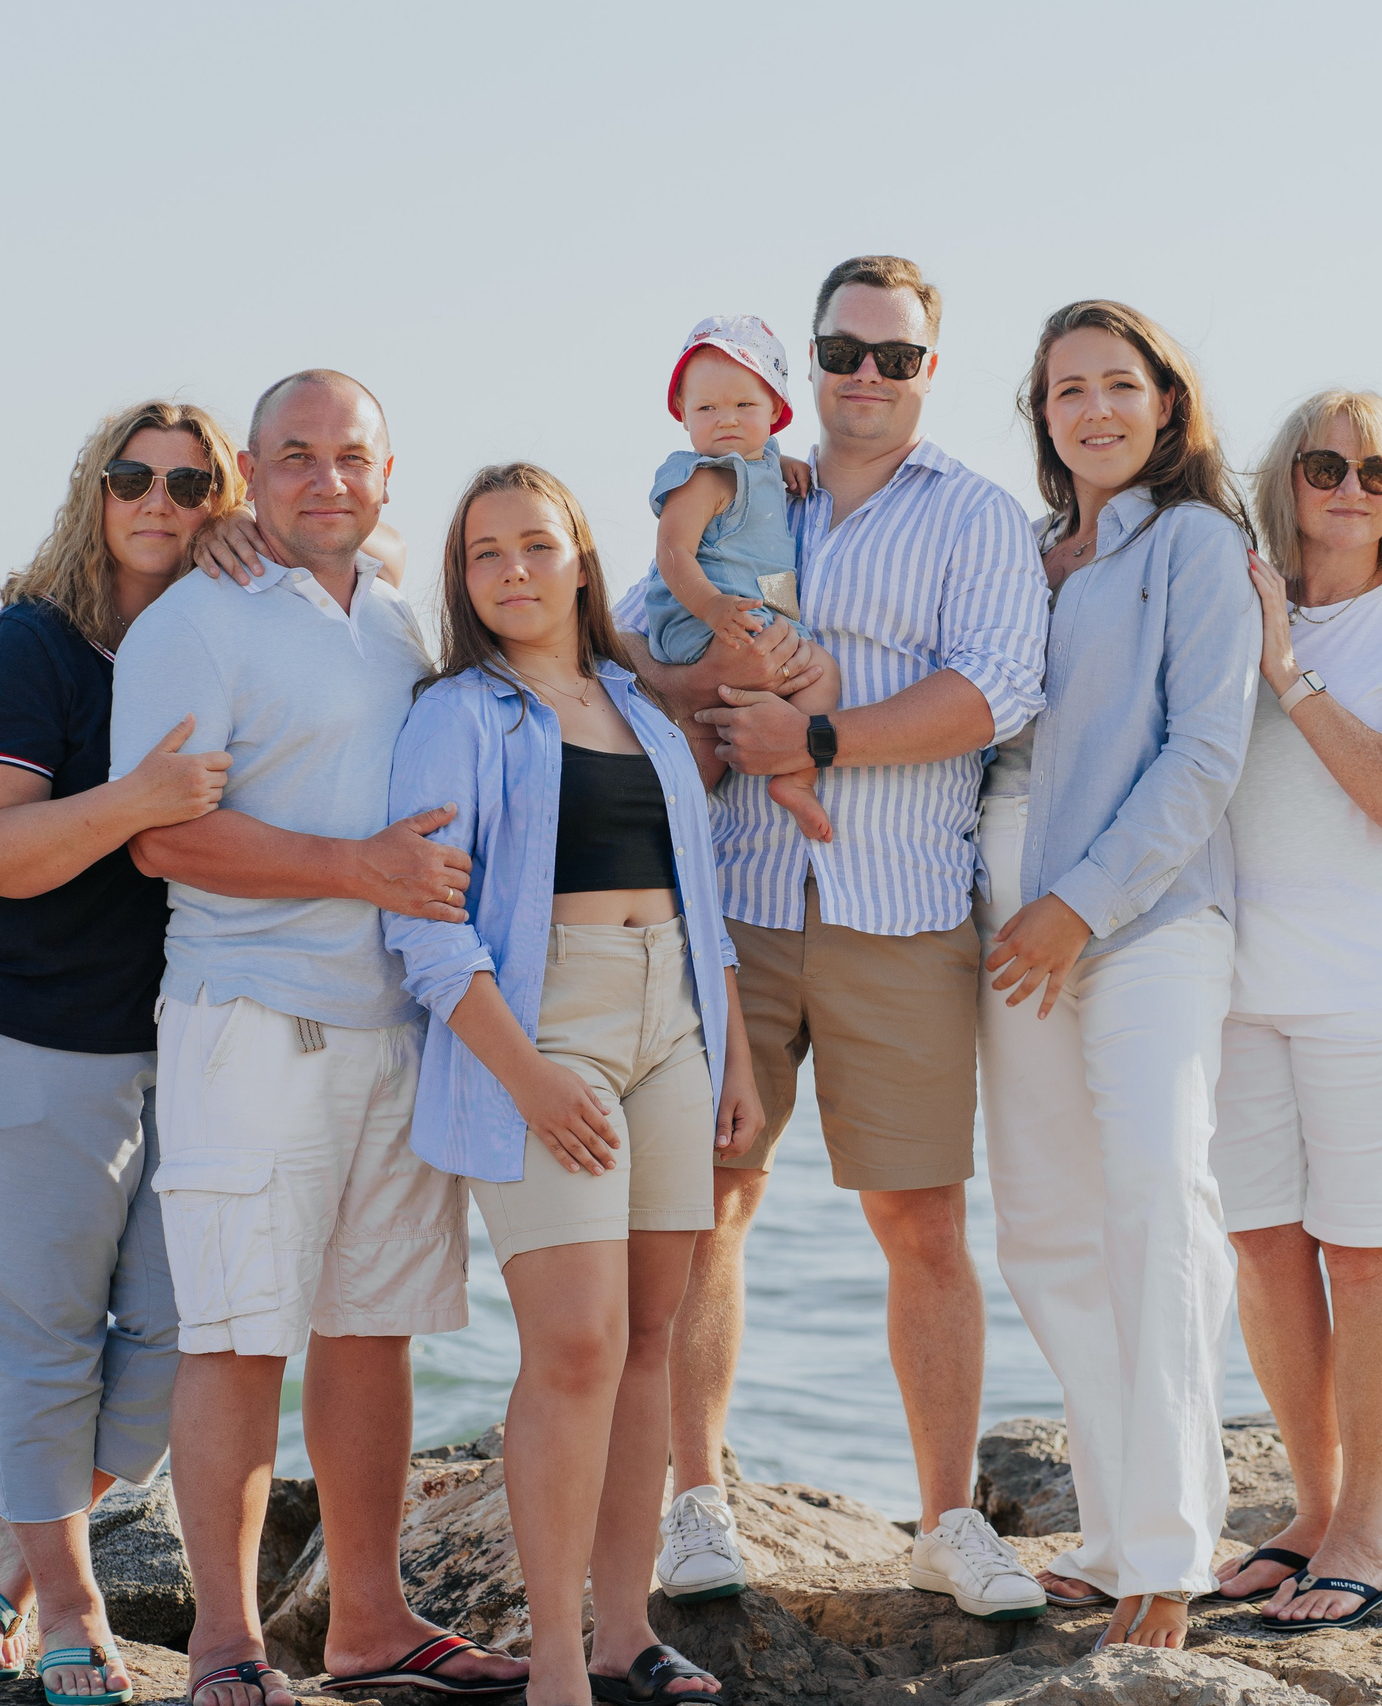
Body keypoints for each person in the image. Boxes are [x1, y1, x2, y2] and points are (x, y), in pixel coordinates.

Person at [614, 255, 1051, 1620]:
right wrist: (702, 687)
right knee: (709, 1201)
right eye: (843, 350)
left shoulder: (975, 514)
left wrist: (811, 735)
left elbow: (992, 692)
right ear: (806, 365)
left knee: (919, 1217)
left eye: (894, 355)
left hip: (901, 907)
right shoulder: (747, 488)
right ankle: (697, 1501)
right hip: (737, 900)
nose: (867, 374)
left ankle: (948, 1520)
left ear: (929, 370)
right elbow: (624, 641)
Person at [109, 371, 531, 1706]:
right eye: (294, 456)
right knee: (238, 1335)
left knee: (373, 1329)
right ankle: (225, 1643)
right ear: (251, 470)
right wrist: (359, 869)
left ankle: (369, 1620)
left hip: (395, 1029)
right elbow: (159, 836)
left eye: (351, 456)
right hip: (251, 1026)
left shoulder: (397, 612)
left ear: (388, 472)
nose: (326, 479)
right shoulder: (196, 620)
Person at [385, 462, 760, 1706]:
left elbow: (704, 901)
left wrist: (733, 1058)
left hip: (674, 1023)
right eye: (484, 552)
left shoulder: (638, 705)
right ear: (462, 579)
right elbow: (428, 931)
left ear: (581, 560)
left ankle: (623, 1630)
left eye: (535, 544)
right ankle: (556, 1658)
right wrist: (531, 1077)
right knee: (576, 1341)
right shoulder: (456, 713)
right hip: (543, 1023)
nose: (512, 570)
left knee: (650, 1334)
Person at [974, 300, 1260, 1650]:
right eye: (1065, 389)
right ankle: (1110, 1524)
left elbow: (1204, 751)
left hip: (1140, 920)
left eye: (1116, 384)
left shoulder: (1195, 543)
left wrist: (1077, 906)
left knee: (1155, 1198)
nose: (1092, 409)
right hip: (1000, 916)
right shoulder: (1029, 557)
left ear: (1164, 401)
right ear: (1040, 415)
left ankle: (1170, 1552)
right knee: (1043, 1226)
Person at [0, 402, 242, 1705]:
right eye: (135, 476)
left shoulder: (213, 642)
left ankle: (6, 1539)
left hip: (187, 1035)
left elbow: (380, 557)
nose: (159, 501)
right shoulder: (24, 647)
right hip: (29, 1035)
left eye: (192, 484)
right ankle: (68, 1603)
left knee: (190, 1325)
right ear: (96, 490)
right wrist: (137, 800)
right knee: (41, 1337)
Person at [1208, 391, 1382, 1632]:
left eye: (1377, 469)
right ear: (1287, 479)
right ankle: (1310, 1510)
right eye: (1323, 465)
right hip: (1231, 983)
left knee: (1364, 1253)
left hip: (1371, 984)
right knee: (1262, 1246)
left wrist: (1289, 674)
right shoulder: (1232, 592)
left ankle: (1366, 1525)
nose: (1351, 488)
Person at [644, 314, 840, 841]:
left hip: (763, 611)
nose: (726, 420)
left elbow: (762, 462)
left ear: (774, 409)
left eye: (744, 406)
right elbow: (672, 552)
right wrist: (711, 607)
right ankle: (671, 824)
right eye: (707, 408)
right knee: (715, 732)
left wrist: (785, 464)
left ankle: (792, 777)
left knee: (817, 676)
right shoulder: (703, 478)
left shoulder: (765, 464)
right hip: (708, 617)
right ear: (683, 412)